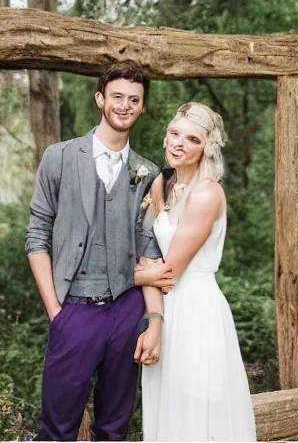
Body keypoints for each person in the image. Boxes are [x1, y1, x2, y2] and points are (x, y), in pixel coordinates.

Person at [26, 61, 168, 440]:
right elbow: (37, 236)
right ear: (100, 99)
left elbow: (150, 251)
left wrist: (154, 320)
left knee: (113, 429)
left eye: (134, 99)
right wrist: (56, 311)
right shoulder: (59, 157)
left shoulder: (148, 173)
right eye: (117, 96)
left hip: (126, 312)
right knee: (56, 430)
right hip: (72, 308)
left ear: (143, 107)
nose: (125, 105)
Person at [136, 102, 257, 441]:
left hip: (195, 310)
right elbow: (150, 252)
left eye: (192, 139)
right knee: (169, 409)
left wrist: (122, 277)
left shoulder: (206, 193)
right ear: (164, 138)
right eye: (174, 134)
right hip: (166, 309)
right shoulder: (171, 187)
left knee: (194, 410)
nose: (179, 143)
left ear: (207, 146)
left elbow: (168, 271)